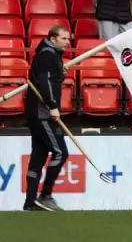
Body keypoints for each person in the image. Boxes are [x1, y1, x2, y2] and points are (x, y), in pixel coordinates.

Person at [23, 25, 72, 212]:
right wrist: (52, 106)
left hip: (37, 113)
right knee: (61, 152)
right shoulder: (48, 55)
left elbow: (47, 78)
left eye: (68, 39)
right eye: (64, 39)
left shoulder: (49, 55)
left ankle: (30, 202)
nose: (67, 43)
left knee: (38, 158)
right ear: (53, 39)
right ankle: (45, 195)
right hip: (42, 113)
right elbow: (44, 82)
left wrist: (60, 73)